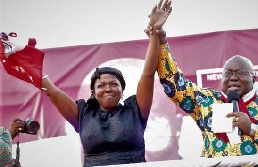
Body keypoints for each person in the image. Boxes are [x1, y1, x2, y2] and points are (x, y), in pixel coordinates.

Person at [2, 0, 172, 166]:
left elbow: (148, 74)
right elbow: (52, 92)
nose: (108, 89)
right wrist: (24, 61)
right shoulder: (82, 114)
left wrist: (154, 33)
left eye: (114, 84)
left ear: (122, 90)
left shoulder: (136, 109)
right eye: (101, 86)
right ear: (92, 92)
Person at [145, 27, 258, 166]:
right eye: (228, 73)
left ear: (253, 79)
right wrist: (161, 43)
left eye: (240, 72)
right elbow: (175, 85)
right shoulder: (207, 102)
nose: (233, 77)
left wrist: (253, 129)